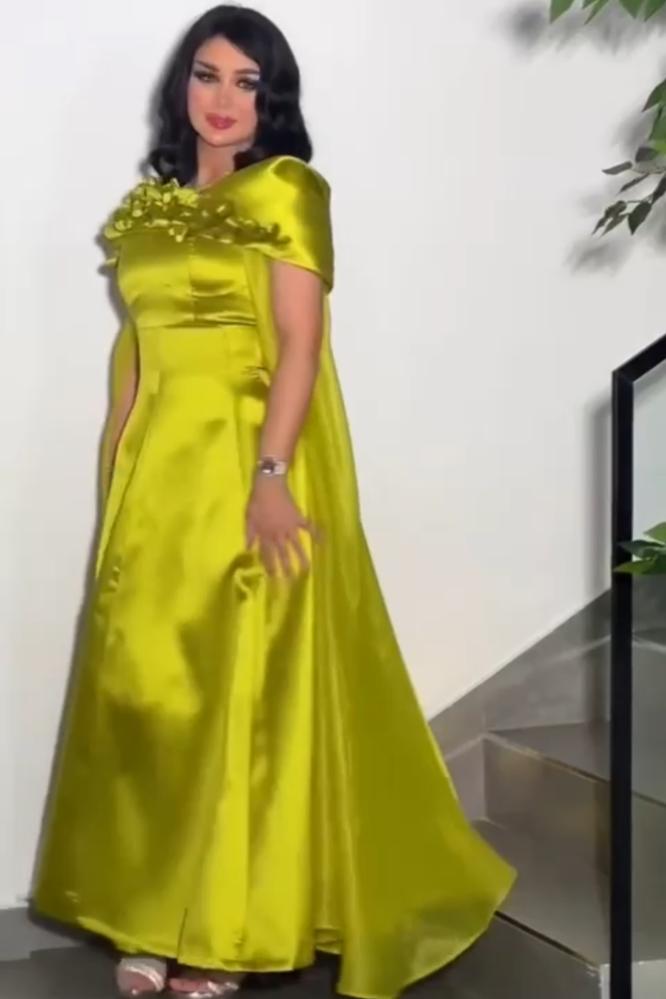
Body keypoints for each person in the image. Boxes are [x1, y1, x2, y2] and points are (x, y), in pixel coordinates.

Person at [32, 5, 516, 998]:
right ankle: (148, 914)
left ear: (273, 99)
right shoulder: (149, 210)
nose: (223, 99)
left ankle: (221, 934)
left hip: (245, 465)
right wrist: (114, 481)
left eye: (247, 82)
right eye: (207, 75)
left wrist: (272, 478)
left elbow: (301, 345)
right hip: (155, 481)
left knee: (235, 703)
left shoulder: (288, 190)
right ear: (182, 85)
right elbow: (137, 359)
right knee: (148, 699)